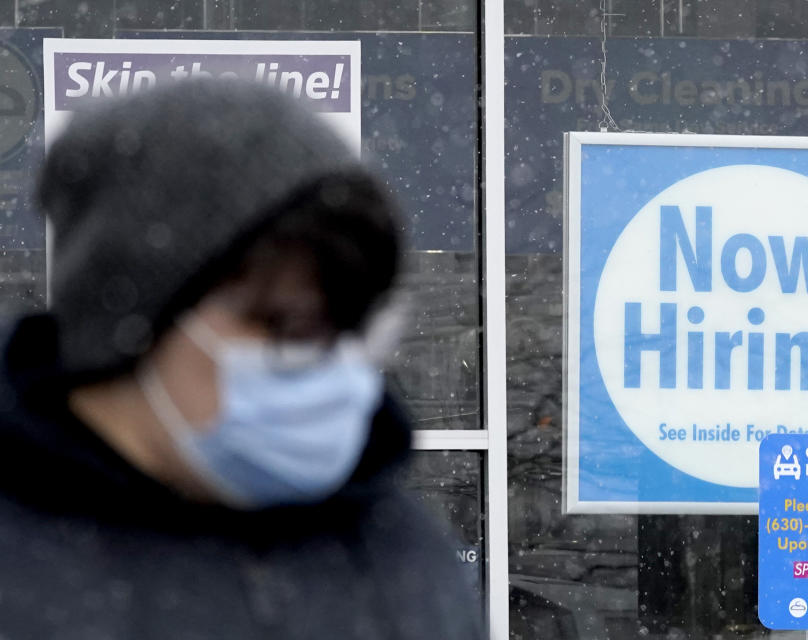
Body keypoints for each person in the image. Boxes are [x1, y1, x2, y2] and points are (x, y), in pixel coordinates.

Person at [0, 79, 484, 639]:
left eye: (351, 327)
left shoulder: (401, 558)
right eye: (284, 322)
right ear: (134, 318)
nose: (329, 367)